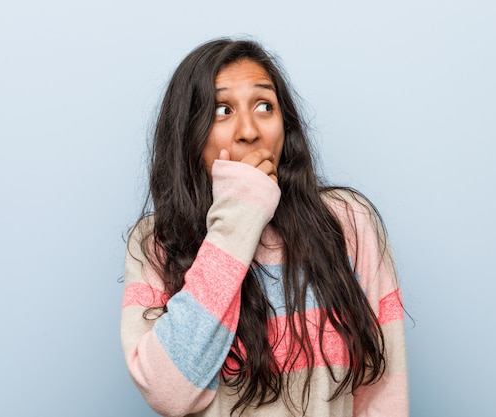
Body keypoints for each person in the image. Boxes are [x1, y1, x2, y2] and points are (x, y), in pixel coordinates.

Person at [120, 38, 408, 417]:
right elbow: (168, 393)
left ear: (283, 127)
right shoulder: (157, 244)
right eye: (222, 110)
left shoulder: (348, 223)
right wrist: (239, 218)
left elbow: (382, 391)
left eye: (264, 106)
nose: (249, 131)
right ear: (190, 134)